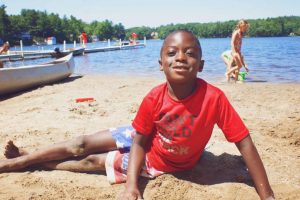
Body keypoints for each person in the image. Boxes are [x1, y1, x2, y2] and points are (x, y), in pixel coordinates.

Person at [0, 30, 274, 200]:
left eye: (189, 53)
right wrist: (133, 186)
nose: (180, 57)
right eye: (172, 53)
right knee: (79, 144)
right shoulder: (154, 98)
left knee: (90, 161)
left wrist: (268, 195)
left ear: (200, 65)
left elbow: (244, 143)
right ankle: (24, 157)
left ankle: (36, 163)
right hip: (142, 136)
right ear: (160, 64)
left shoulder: (214, 98)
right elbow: (140, 139)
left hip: (158, 161)